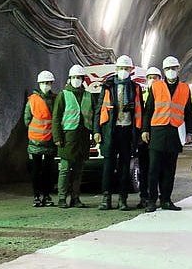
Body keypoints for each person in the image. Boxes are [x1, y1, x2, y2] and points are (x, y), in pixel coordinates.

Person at [142, 56, 192, 212]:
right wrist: (145, 129)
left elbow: (189, 112)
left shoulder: (185, 88)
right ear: (164, 71)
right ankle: (152, 201)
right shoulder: (156, 86)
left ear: (178, 69)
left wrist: (190, 132)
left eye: (174, 68)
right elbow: (148, 110)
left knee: (170, 169)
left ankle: (166, 200)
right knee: (154, 169)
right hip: (157, 131)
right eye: (168, 69)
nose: (171, 71)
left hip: (175, 132)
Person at [94, 55, 143, 211]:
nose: (124, 71)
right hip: (110, 131)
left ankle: (123, 199)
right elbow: (98, 109)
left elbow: (139, 110)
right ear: (116, 69)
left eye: (126, 68)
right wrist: (97, 130)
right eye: (121, 68)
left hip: (127, 131)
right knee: (108, 166)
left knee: (124, 167)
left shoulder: (135, 88)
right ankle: (106, 198)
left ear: (131, 70)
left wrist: (139, 132)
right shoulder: (108, 86)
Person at [52, 64, 94, 209]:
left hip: (83, 137)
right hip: (68, 137)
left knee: (78, 170)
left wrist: (94, 134)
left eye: (79, 77)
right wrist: (57, 137)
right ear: (70, 78)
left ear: (83, 79)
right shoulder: (63, 95)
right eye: (74, 77)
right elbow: (56, 117)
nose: (77, 80)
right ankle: (62, 198)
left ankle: (75, 198)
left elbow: (92, 116)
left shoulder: (88, 95)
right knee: (64, 169)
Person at [24, 70, 57, 207]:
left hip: (48, 141)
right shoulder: (33, 100)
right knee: (37, 171)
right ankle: (38, 196)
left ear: (51, 83)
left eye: (47, 83)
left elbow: (27, 120)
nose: (45, 85)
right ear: (39, 84)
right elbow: (27, 119)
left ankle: (44, 196)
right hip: (37, 142)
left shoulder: (55, 99)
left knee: (47, 171)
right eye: (43, 83)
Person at [136, 66, 162, 209]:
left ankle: (156, 195)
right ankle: (144, 196)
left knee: (157, 167)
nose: (153, 80)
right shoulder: (142, 94)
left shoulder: (162, 94)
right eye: (150, 77)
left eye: (155, 77)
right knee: (144, 168)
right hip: (143, 138)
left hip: (158, 135)